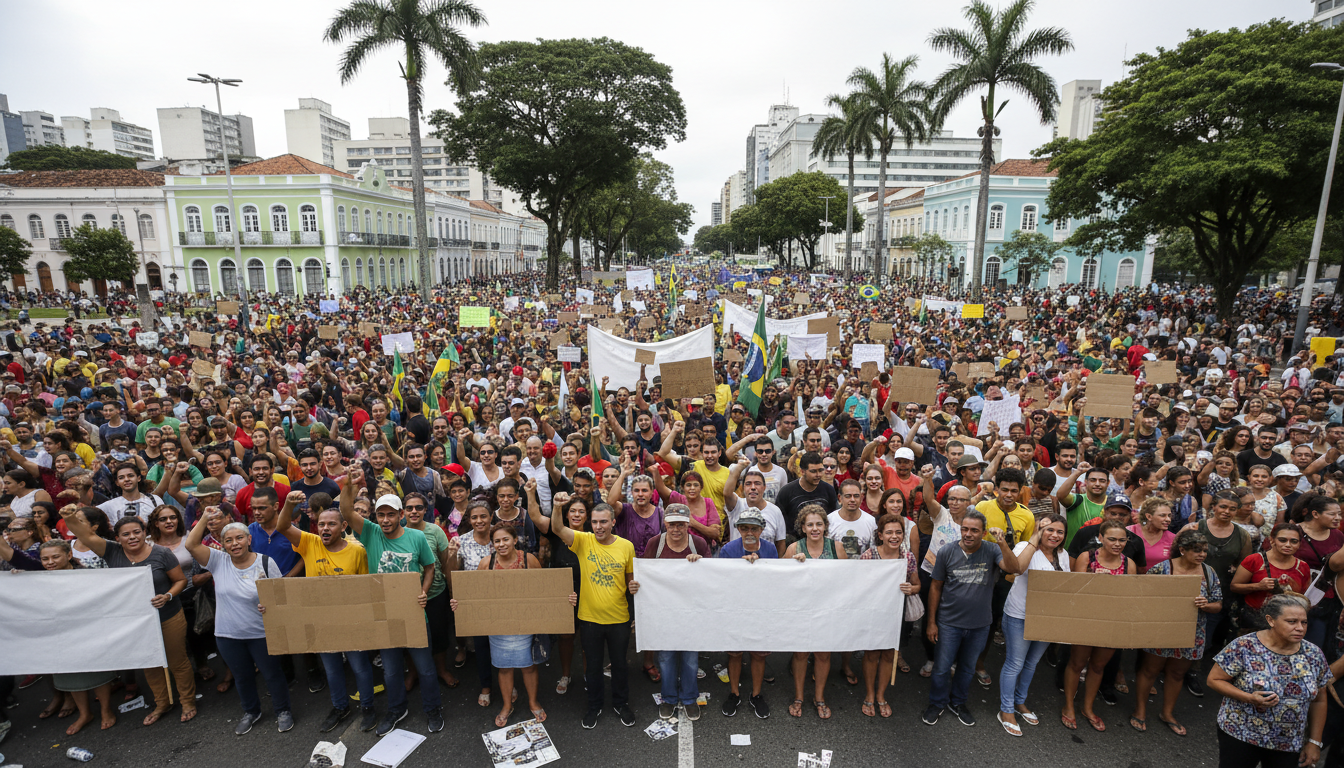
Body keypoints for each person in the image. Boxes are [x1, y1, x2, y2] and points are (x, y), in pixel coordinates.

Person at [59, 504, 196, 726]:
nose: (132, 537)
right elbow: (85, 534)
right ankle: (162, 703)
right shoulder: (111, 551)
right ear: (117, 538)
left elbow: (180, 580)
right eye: (126, 534)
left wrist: (168, 596)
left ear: (145, 533)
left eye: (136, 532)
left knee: (177, 661)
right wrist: (69, 516)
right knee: (150, 663)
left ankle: (188, 701)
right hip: (137, 622)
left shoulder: (162, 554)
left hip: (168, 616)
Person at [337, 468, 442, 736]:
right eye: (381, 514)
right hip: (383, 614)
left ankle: (432, 708)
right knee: (392, 671)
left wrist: (424, 591)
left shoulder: (416, 537)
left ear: (401, 516)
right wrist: (349, 484)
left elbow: (429, 568)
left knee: (426, 669)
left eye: (391, 514)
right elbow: (347, 512)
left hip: (414, 613)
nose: (385, 520)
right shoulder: (371, 533)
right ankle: (397, 709)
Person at [274, 489, 377, 734]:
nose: (325, 528)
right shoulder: (309, 543)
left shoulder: (357, 550)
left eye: (332, 524)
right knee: (331, 669)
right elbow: (282, 526)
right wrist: (288, 503)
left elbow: (364, 587)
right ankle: (340, 707)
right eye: (321, 524)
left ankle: (368, 707)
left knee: (360, 667)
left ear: (343, 526)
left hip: (351, 621)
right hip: (321, 622)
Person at [183, 506, 288, 735]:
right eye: (228, 540)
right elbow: (191, 545)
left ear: (249, 539)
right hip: (228, 635)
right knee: (242, 677)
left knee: (272, 674)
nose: (235, 543)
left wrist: (269, 605)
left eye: (239, 538)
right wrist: (204, 518)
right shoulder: (218, 561)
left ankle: (283, 710)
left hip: (261, 633)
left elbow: (281, 597)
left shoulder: (265, 562)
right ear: (223, 545)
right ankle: (251, 711)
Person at [0, 537, 117, 736]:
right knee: (69, 673)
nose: (50, 562)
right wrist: (18, 581)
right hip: (58, 635)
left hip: (88, 632)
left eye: (55, 557)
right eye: (45, 559)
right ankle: (84, 714)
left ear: (69, 555)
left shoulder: (87, 575)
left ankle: (106, 710)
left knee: (98, 670)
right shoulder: (37, 576)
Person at [451, 523, 563, 728]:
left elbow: (544, 588)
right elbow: (476, 595)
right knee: (504, 668)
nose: (501, 544)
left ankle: (532, 701)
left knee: (528, 666)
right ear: (492, 544)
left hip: (526, 623)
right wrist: (461, 603)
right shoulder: (486, 563)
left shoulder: (529, 560)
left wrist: (565, 598)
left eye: (505, 539)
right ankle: (506, 705)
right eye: (497, 541)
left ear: (515, 540)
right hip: (498, 625)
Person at [1207, 595, 1331, 768]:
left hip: (1288, 742)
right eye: (1292, 621)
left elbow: (1319, 699)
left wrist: (1315, 742)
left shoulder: (1313, 654)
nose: (1300, 628)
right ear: (1271, 620)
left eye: (1304, 622)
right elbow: (1214, 680)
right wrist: (1248, 697)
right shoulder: (1245, 646)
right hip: (1241, 734)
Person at [922, 510, 1020, 728]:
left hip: (980, 624)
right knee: (941, 667)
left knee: (967, 669)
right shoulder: (947, 551)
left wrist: (1002, 542)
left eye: (974, 530)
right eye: (964, 529)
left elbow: (1015, 568)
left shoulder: (992, 549)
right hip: (948, 622)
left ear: (983, 533)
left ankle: (957, 703)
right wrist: (931, 622)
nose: (968, 534)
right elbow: (935, 586)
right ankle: (937, 703)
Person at [548, 499, 637, 729]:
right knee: (593, 667)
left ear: (613, 523)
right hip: (589, 620)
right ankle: (594, 706)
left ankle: (621, 703)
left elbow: (630, 580)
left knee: (619, 665)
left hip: (619, 619)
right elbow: (557, 528)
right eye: (595, 522)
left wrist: (634, 587)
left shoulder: (626, 546)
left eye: (604, 522)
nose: (598, 527)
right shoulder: (583, 540)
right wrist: (558, 507)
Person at [1132, 529, 1225, 737]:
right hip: (1161, 628)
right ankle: (1140, 709)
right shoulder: (1163, 569)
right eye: (1196, 550)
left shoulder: (1208, 572)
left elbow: (1218, 604)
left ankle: (1167, 713)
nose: (1201, 554)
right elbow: (1143, 597)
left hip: (1192, 632)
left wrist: (1206, 605)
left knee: (1177, 673)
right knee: (1150, 670)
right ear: (1182, 550)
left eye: (1204, 551)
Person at [627, 503, 709, 720]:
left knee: (691, 659)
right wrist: (635, 585)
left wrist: (701, 564)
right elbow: (644, 576)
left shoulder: (698, 544)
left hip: (692, 613)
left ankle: (690, 698)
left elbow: (712, 578)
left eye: (681, 525)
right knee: (665, 657)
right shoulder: (656, 543)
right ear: (665, 523)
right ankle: (669, 698)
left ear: (688, 524)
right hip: (663, 613)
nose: (676, 530)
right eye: (672, 524)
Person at [996, 513, 1070, 737]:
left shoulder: (1063, 554)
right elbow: (1017, 568)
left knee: (1031, 664)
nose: (1054, 535)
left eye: (1059, 532)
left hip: (1047, 617)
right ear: (1039, 529)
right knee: (1015, 663)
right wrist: (1035, 537)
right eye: (1049, 529)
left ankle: (1020, 702)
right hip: (1019, 615)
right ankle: (1006, 710)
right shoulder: (1023, 547)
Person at [1061, 519, 1136, 732]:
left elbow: (1131, 595)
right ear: (1100, 538)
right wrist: (1094, 579)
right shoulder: (1088, 557)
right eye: (1112, 539)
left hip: (1112, 621)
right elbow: (1074, 590)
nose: (1117, 544)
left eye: (1122, 540)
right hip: (1086, 618)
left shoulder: (1128, 563)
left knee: (1098, 666)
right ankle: (1068, 706)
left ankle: (1087, 707)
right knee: (1076, 663)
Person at [858, 513, 920, 719]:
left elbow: (917, 584)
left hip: (896, 614)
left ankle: (881, 695)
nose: (894, 536)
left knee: (888, 655)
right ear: (880, 535)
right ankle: (868, 693)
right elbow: (857, 586)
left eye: (898, 532)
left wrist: (911, 588)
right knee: (872, 654)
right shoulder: (868, 556)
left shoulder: (907, 557)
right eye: (889, 532)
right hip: (873, 613)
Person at [1230, 522, 1312, 633]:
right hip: (1254, 621)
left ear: (1299, 544)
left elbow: (1305, 598)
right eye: (1282, 540)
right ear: (1272, 540)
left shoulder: (1303, 567)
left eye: (1294, 541)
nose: (1288, 545)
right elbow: (1234, 586)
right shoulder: (1254, 560)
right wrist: (1258, 586)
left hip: (1288, 624)